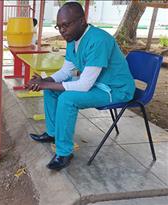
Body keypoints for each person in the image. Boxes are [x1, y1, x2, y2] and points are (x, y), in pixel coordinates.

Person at [26, 2, 135, 171]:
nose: (62, 30)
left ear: (82, 21)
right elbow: (66, 71)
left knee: (67, 99)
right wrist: (45, 81)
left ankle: (64, 153)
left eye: (66, 25)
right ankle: (53, 133)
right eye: (59, 26)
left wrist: (46, 83)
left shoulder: (98, 40)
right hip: (96, 83)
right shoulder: (73, 39)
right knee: (51, 89)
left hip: (115, 89)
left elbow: (84, 85)